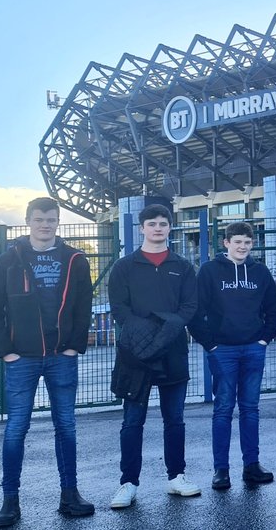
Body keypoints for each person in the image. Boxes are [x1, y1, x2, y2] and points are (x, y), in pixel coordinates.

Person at [0, 197, 95, 527]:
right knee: (17, 428)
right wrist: (5, 351)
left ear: (58, 221)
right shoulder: (8, 261)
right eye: (39, 219)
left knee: (67, 427)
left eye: (51, 219)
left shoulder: (75, 259)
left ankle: (70, 495)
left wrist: (74, 346)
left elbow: (83, 306)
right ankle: (10, 502)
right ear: (28, 221)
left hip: (62, 357)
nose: (45, 224)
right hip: (22, 359)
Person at [108, 204, 200, 509]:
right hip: (136, 356)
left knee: (175, 420)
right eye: (152, 223)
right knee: (132, 421)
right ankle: (128, 483)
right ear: (142, 228)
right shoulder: (124, 267)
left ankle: (177, 477)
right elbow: (119, 309)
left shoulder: (183, 267)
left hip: (173, 352)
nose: (158, 228)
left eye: (163, 223)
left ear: (170, 227)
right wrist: (146, 334)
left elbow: (189, 307)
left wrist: (164, 332)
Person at [191, 222, 276, 490]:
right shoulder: (209, 271)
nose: (242, 247)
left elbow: (274, 309)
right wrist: (211, 344)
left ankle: (251, 465)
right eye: (237, 242)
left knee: (250, 409)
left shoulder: (261, 272)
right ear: (226, 243)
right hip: (223, 351)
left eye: (247, 242)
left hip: (254, 348)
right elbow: (195, 312)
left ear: (252, 244)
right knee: (223, 409)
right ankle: (221, 470)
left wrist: (264, 339)